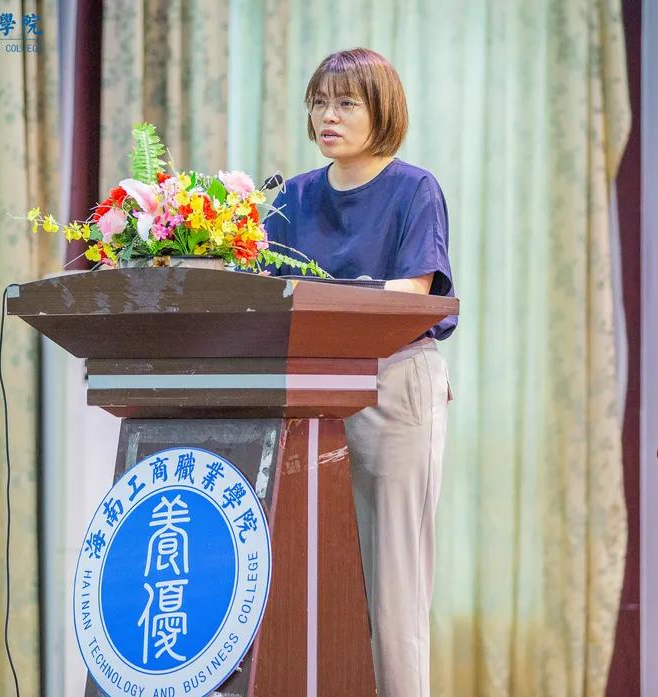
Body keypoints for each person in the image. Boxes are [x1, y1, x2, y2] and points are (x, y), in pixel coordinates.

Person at [263, 47, 456, 697]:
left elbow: (412, 294)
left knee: (393, 586)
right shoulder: (292, 196)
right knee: (307, 578)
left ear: (383, 112)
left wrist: (318, 297)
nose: (329, 116)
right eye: (319, 102)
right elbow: (265, 294)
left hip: (392, 383)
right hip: (307, 390)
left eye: (346, 103)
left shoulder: (414, 189)